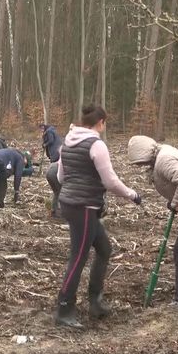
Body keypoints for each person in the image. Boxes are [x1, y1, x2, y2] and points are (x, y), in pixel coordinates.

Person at [55, 105, 141, 328]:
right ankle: (64, 310)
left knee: (104, 248)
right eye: (105, 123)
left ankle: (96, 301)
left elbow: (60, 176)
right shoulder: (96, 144)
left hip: (71, 203)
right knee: (78, 258)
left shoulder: (68, 140)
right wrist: (132, 195)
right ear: (101, 122)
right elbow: (110, 181)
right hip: (83, 207)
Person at [128, 135, 178, 310]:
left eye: (140, 163)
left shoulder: (163, 159)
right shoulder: (162, 155)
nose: (140, 166)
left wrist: (175, 203)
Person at [40, 124, 62, 217]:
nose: (41, 131)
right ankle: (58, 212)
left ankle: (54, 211)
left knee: (58, 191)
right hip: (55, 168)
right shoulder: (51, 131)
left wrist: (45, 144)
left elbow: (51, 140)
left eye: (41, 129)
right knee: (60, 191)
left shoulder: (49, 132)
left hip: (54, 159)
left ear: (44, 127)